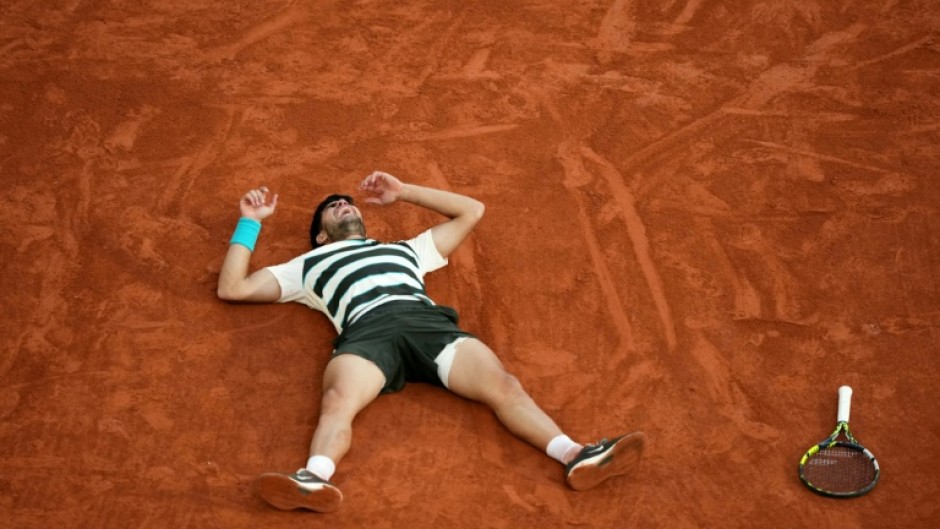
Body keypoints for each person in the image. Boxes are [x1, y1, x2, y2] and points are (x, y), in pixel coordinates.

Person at [217, 170, 646, 512]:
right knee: (337, 398)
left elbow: (471, 211)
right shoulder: (307, 265)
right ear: (322, 235)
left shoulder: (405, 250)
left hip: (429, 325)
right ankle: (314, 479)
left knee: (504, 385)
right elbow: (233, 288)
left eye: (345, 201)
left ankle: (575, 456)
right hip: (368, 333)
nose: (342, 203)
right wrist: (249, 223)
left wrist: (404, 192)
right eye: (331, 207)